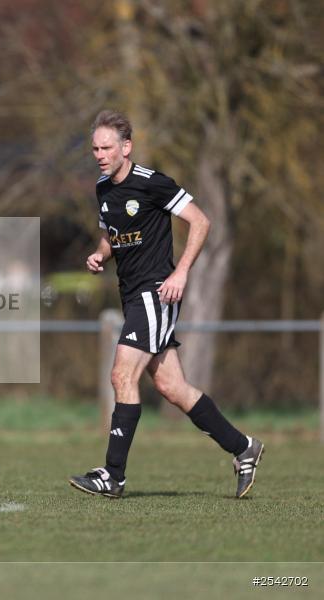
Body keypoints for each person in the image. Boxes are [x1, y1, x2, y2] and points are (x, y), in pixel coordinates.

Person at [68, 110, 263, 499]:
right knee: (172, 386)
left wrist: (182, 272)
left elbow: (201, 221)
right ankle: (244, 448)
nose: (100, 154)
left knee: (122, 376)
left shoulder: (152, 184)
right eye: (95, 148)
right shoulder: (103, 189)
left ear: (127, 147)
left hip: (156, 292)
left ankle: (113, 475)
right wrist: (99, 254)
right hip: (131, 296)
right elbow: (111, 235)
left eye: (107, 147)